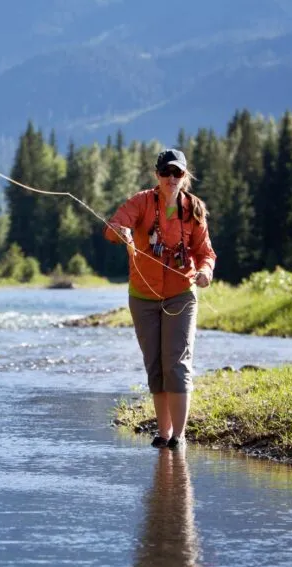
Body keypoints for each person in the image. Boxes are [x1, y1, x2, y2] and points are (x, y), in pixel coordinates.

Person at [104, 149, 216, 449]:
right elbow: (114, 228)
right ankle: (163, 433)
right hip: (142, 296)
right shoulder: (141, 202)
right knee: (155, 365)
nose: (171, 178)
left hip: (181, 293)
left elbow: (206, 253)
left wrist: (206, 272)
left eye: (177, 173)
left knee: (176, 364)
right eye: (166, 172)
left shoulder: (193, 209)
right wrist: (122, 232)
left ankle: (179, 437)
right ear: (157, 175)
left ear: (185, 176)